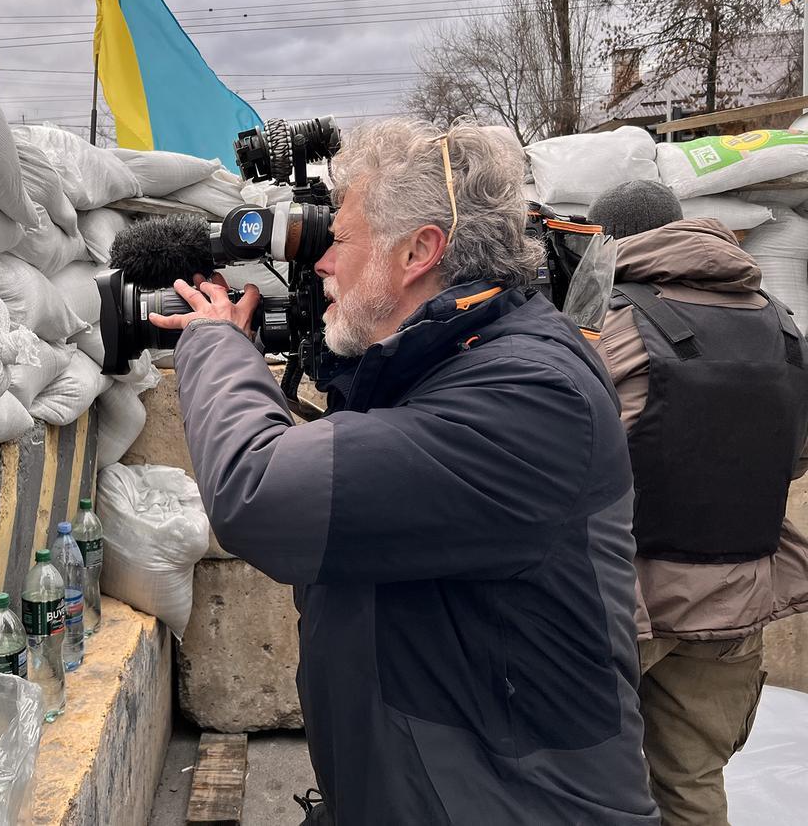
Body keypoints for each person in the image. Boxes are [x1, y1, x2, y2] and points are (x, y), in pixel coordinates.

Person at [150, 119, 659, 824]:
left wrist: (214, 346)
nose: (323, 266)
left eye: (343, 242)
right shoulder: (452, 364)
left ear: (421, 250)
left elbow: (258, 488)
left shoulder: (531, 398)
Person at [588, 181, 808, 826]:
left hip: (625, 606)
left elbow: (562, 457)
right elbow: (792, 454)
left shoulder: (609, 324)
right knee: (692, 786)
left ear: (605, 241)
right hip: (737, 604)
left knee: (584, 781)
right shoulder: (782, 324)